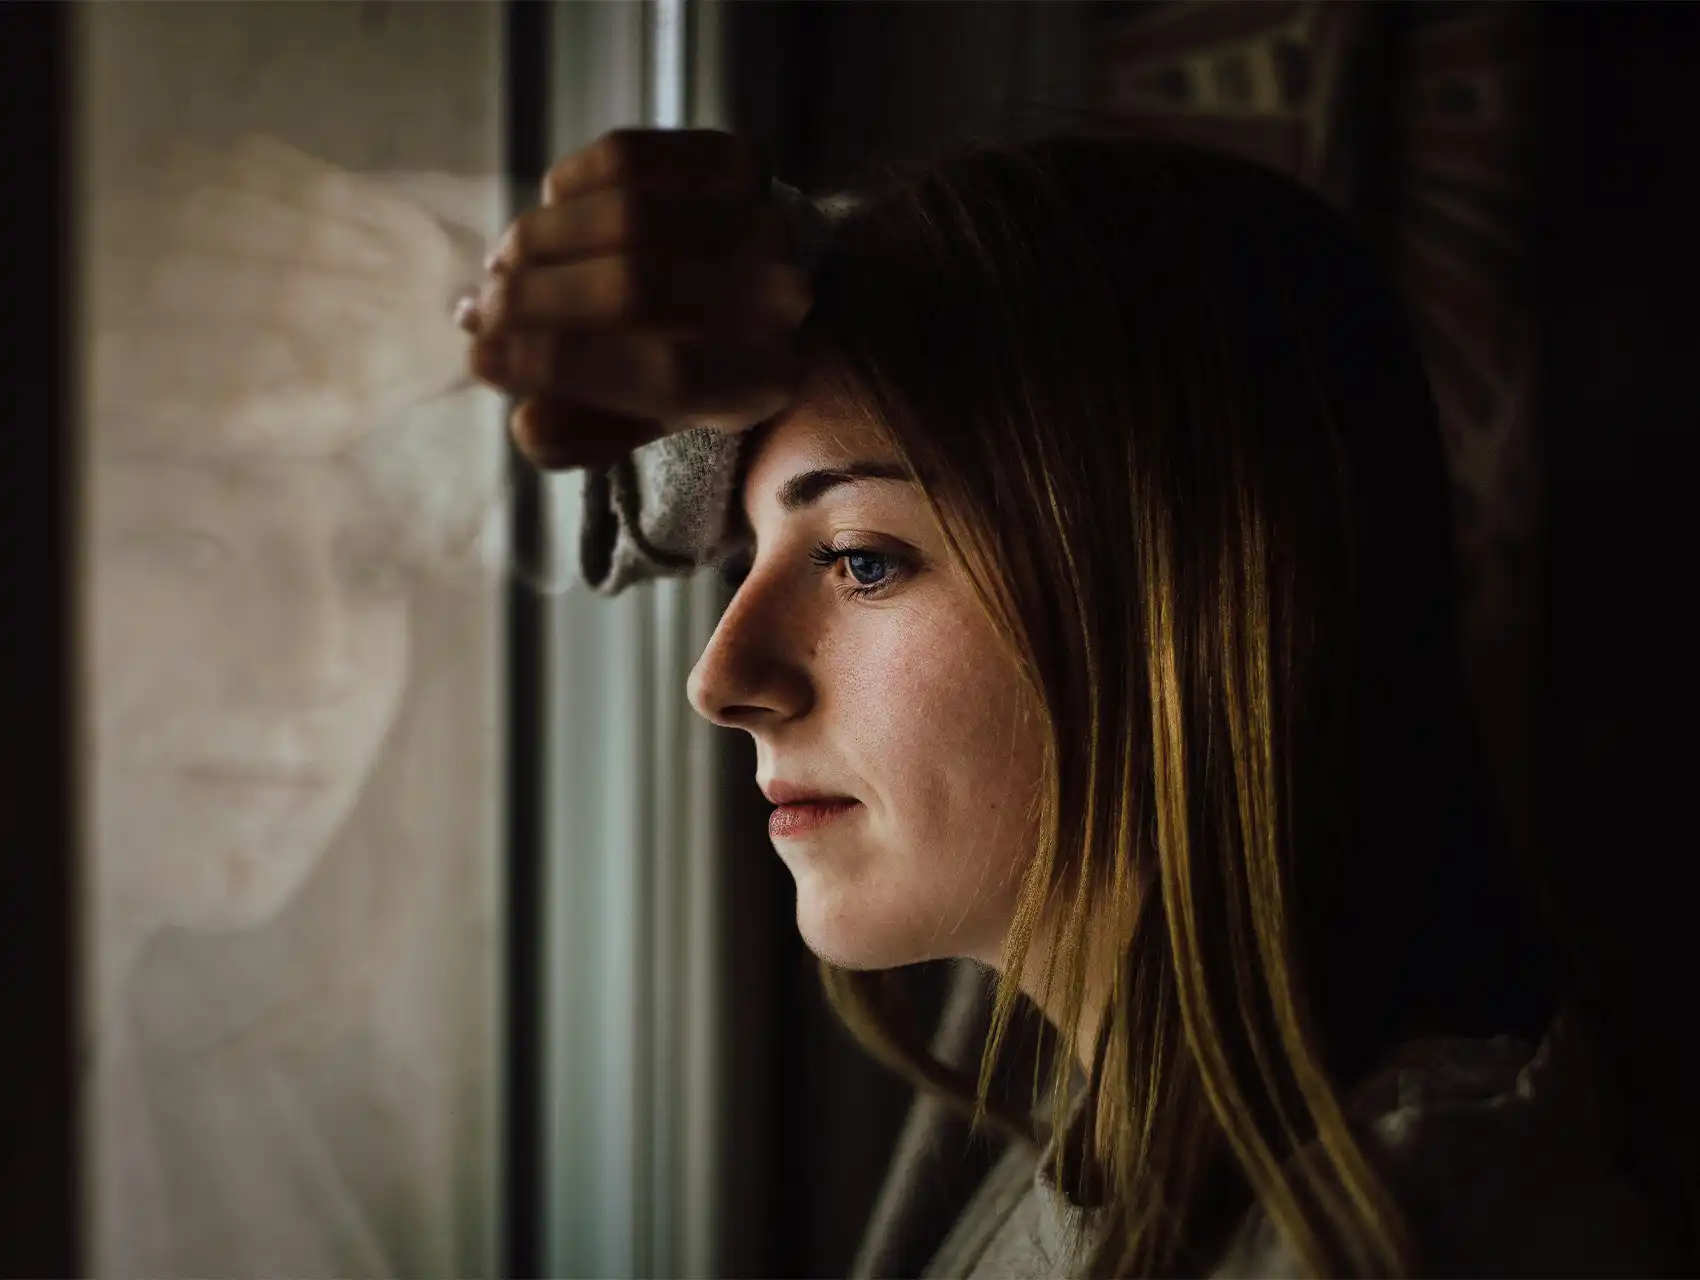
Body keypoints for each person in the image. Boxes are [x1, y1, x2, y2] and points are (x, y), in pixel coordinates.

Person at [464, 129, 1684, 1275]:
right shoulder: (1103, 1087)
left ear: (1181, 599)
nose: (720, 679)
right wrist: (777, 285)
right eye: (748, 554)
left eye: (862, 560)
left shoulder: (1410, 1228)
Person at [87, 134, 504, 1277]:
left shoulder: (240, 1089)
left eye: (374, 564)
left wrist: (461, 298)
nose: (313, 661)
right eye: (182, 542)